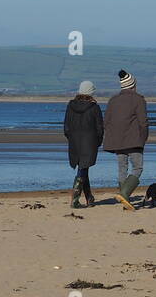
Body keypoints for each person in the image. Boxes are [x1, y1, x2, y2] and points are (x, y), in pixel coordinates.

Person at [102, 69, 148, 210]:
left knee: (122, 169)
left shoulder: (113, 100)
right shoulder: (138, 99)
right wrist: (143, 138)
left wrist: (111, 138)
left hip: (117, 141)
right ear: (132, 85)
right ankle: (125, 194)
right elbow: (143, 122)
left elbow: (106, 122)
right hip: (133, 140)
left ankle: (124, 197)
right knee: (138, 168)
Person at [63, 81, 104, 209]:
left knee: (83, 169)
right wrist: (98, 142)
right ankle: (75, 199)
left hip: (75, 142)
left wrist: (71, 138)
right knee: (83, 170)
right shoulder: (94, 107)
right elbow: (100, 128)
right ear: (91, 92)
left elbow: (66, 127)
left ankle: (89, 197)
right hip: (89, 142)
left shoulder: (70, 106)